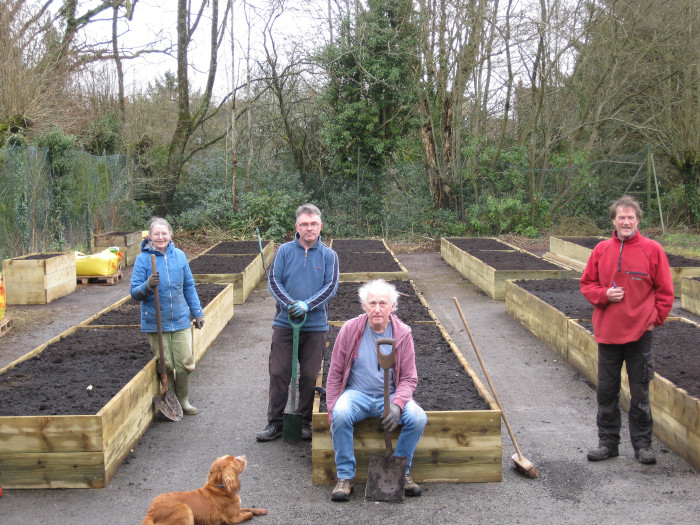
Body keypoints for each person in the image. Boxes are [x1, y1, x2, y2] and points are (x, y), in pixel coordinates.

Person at [580, 195, 673, 464]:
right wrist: (605, 295)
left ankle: (643, 445)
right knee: (607, 392)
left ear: (638, 220)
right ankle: (607, 443)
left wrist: (654, 319)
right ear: (613, 221)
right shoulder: (601, 250)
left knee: (640, 392)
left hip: (639, 336)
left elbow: (665, 292)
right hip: (608, 334)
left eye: (631, 217)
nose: (626, 221)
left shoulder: (652, 250)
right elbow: (587, 284)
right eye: (621, 217)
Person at [325, 279, 427, 502]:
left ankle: (401, 471)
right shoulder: (350, 330)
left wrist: (399, 405)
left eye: (383, 303)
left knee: (418, 417)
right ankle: (345, 477)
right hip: (357, 394)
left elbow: (409, 378)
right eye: (372, 303)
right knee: (340, 414)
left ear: (393, 306)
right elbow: (334, 374)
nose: (377, 309)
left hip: (390, 396)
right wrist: (331, 409)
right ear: (364, 305)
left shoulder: (402, 334)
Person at [256, 203, 339, 442]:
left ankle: (303, 420)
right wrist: (290, 304)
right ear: (297, 227)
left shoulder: (328, 255)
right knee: (279, 371)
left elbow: (330, 287)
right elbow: (273, 281)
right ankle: (275, 422)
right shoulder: (284, 252)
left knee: (310, 375)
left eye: (313, 224)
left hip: (315, 326)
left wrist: (307, 305)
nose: (309, 228)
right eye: (304, 224)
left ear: (320, 226)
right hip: (285, 322)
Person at [131, 217, 205, 416]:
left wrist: (197, 312)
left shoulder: (179, 256)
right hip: (156, 321)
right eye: (156, 234)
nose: (161, 237)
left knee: (185, 363)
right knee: (167, 364)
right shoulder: (143, 259)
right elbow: (134, 293)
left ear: (170, 235)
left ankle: (183, 400)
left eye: (164, 233)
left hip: (180, 318)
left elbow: (189, 286)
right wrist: (147, 286)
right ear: (150, 236)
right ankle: (170, 400)